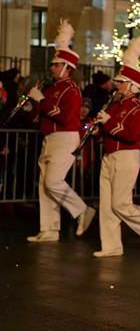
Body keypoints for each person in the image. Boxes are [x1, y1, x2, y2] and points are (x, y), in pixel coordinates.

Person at [92, 37, 140, 257]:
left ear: (133, 85)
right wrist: (97, 131)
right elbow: (110, 128)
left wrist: (108, 123)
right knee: (106, 205)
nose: (117, 85)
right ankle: (111, 246)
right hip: (109, 155)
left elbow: (131, 135)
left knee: (120, 203)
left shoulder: (139, 108)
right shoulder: (115, 105)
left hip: (126, 156)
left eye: (122, 82)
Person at [26, 20, 96, 242]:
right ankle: (49, 229)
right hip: (50, 138)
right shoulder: (53, 88)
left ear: (67, 67)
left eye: (56, 65)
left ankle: (83, 210)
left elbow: (66, 117)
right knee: (44, 187)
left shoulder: (72, 90)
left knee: (53, 182)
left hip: (65, 138)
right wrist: (30, 107)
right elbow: (41, 115)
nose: (52, 68)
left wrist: (43, 101)